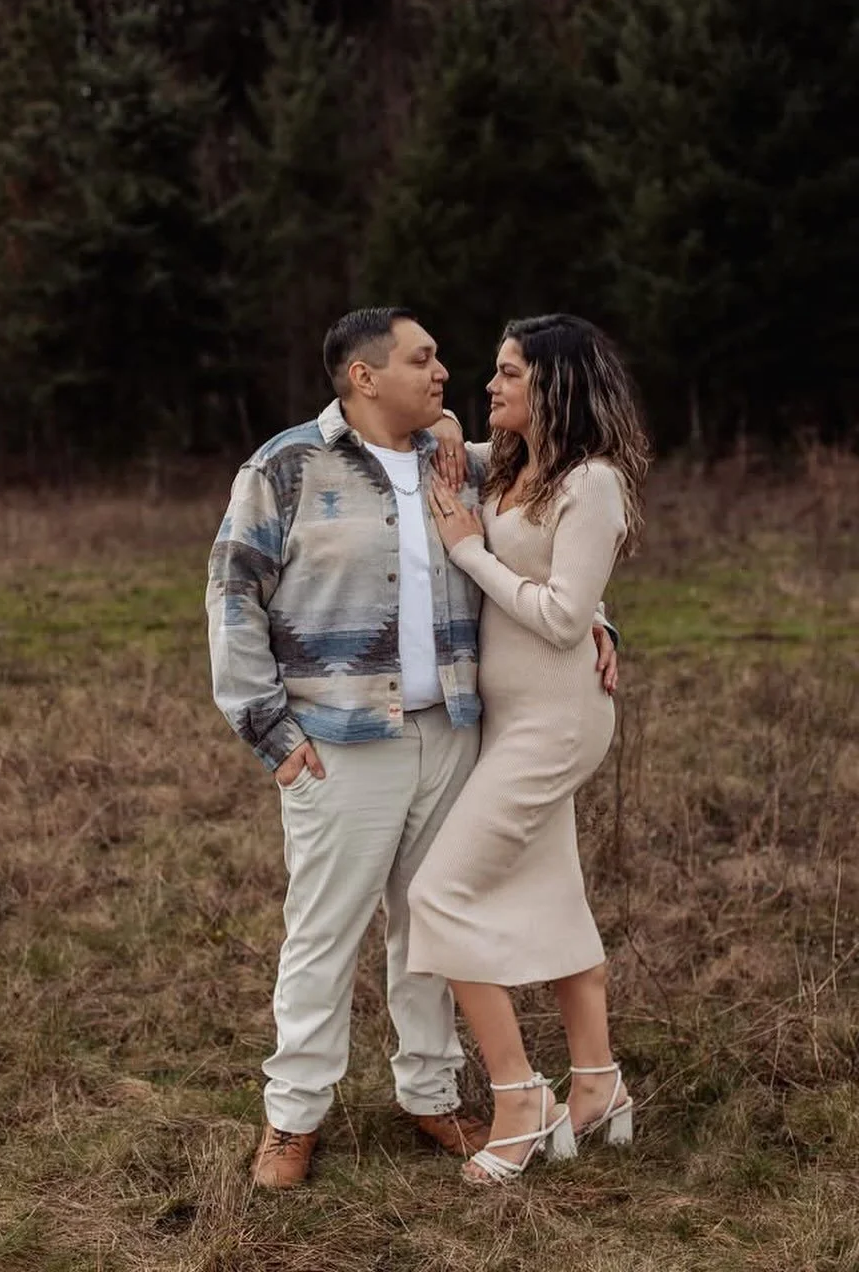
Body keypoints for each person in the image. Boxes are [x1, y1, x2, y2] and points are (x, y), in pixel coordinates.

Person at [205, 307, 619, 1189]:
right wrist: (269, 730)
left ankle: (430, 1095)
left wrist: (600, 623)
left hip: (456, 730)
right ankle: (293, 1117)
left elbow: (545, 545)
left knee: (430, 926)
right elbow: (234, 596)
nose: (443, 374)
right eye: (422, 360)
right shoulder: (285, 467)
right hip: (338, 741)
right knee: (324, 932)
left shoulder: (462, 465)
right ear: (364, 376)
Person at [407, 313, 649, 1185]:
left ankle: (520, 1098)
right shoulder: (508, 465)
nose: (491, 385)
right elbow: (436, 438)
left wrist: (469, 552)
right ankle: (598, 1084)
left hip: (557, 722)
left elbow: (561, 616)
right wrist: (443, 421)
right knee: (553, 895)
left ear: (555, 384)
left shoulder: (593, 484)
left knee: (438, 896)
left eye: (509, 373)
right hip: (510, 722)